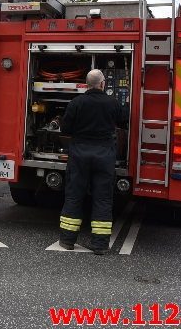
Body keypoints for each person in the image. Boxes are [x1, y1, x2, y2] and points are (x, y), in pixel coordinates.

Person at [58, 69, 128, 255]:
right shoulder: (112, 103)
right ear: (103, 84)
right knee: (103, 199)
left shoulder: (76, 103)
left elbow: (66, 128)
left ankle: (67, 240)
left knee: (74, 196)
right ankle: (100, 244)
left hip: (79, 156)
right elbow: (123, 120)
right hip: (104, 157)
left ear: (86, 84)